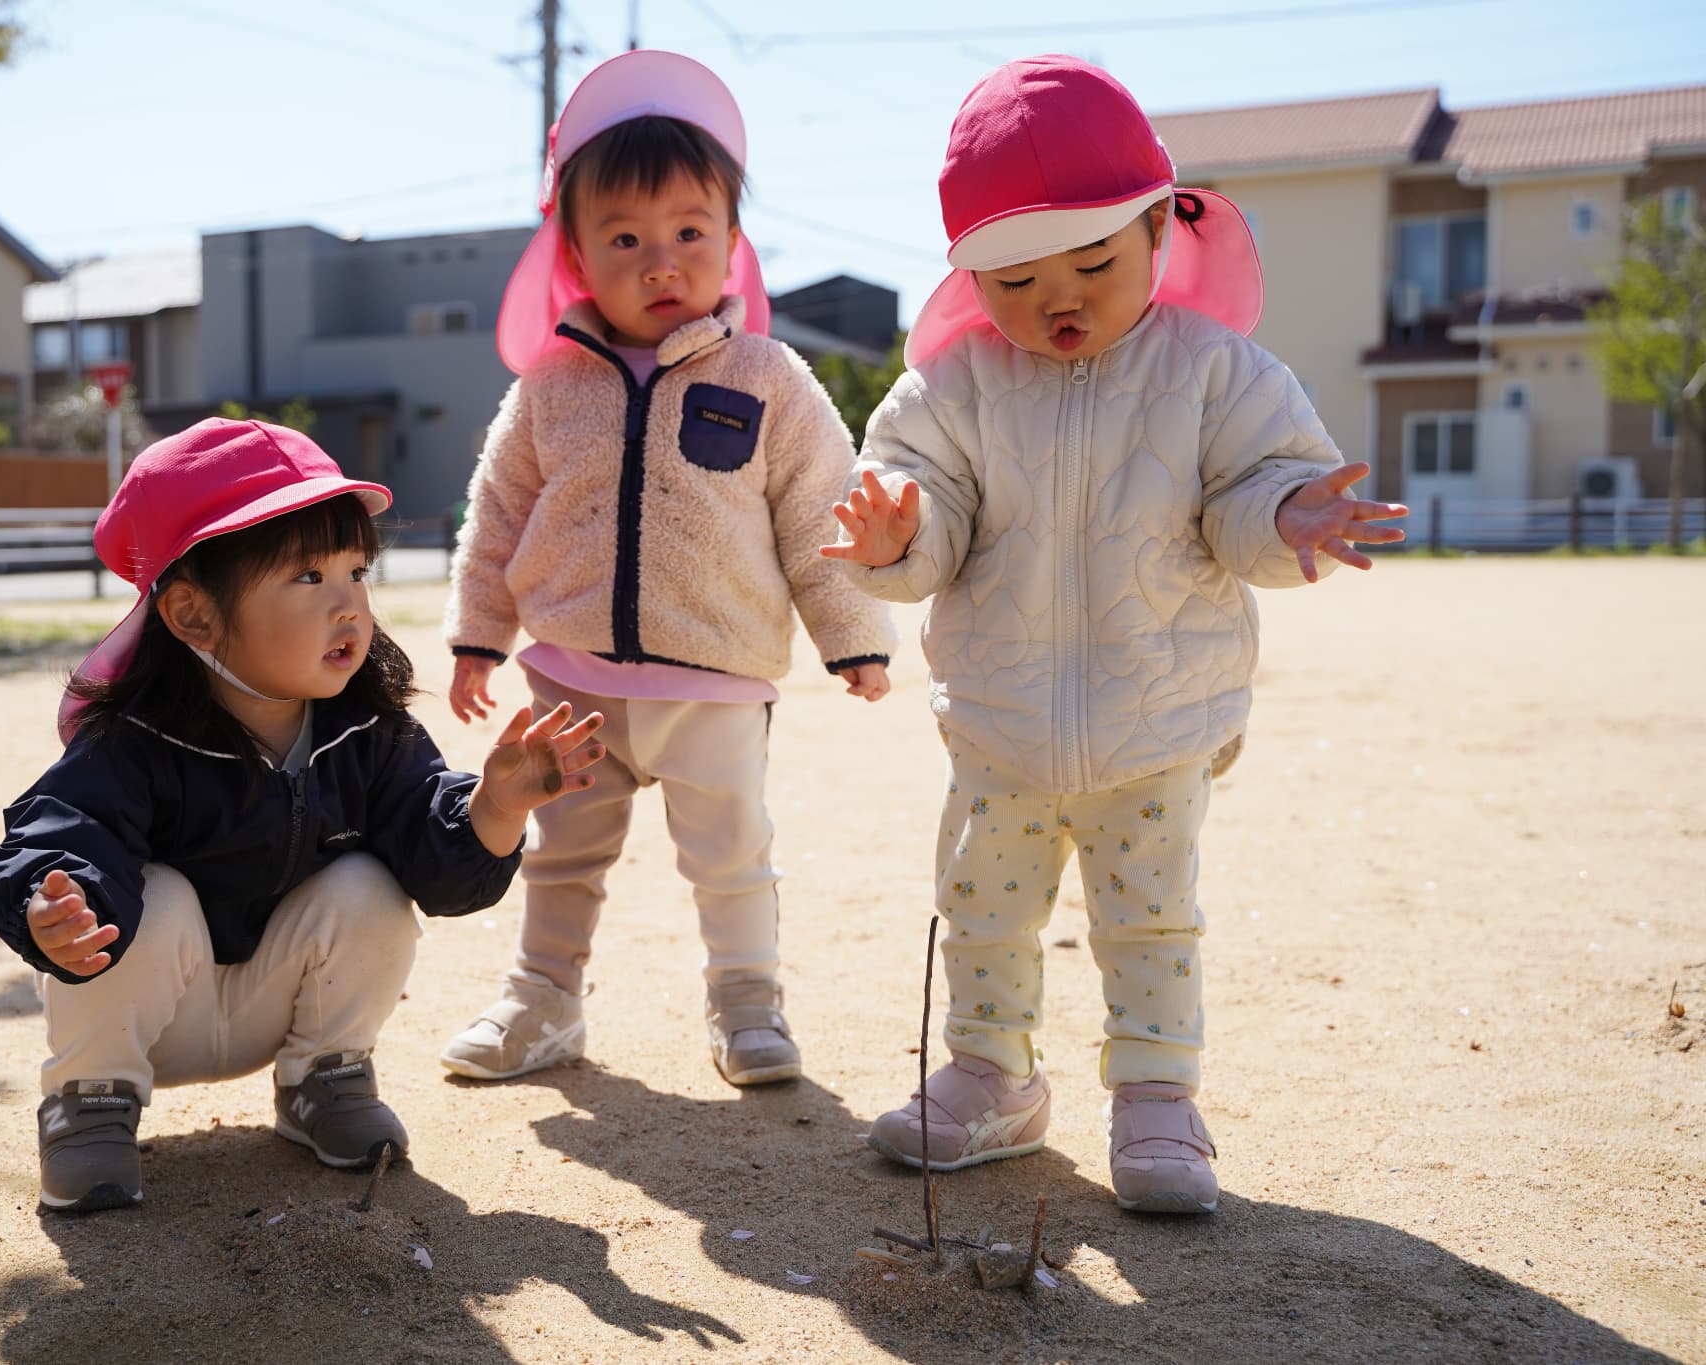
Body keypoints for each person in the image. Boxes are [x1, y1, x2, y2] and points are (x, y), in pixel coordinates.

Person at [824, 56, 1406, 1213]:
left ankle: (1154, 1095)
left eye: (1092, 264)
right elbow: (928, 515)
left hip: (1157, 717)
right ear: (968, 278)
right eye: (1015, 280)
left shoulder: (1214, 371)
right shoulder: (951, 389)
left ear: (1156, 230)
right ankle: (991, 1073)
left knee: (1149, 919)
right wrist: (898, 535)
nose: (1060, 300)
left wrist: (1285, 516)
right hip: (999, 720)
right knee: (982, 907)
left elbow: (1249, 491)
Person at [0, 418, 604, 1213]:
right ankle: (90, 1100)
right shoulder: (135, 744)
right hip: (150, 1019)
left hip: (276, 1008)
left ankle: (326, 1077)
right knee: (153, 892)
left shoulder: (367, 733)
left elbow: (436, 864)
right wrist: (53, 901)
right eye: (309, 576)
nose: (349, 604)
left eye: (356, 570)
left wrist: (495, 806)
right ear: (194, 616)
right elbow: (56, 829)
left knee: (369, 884)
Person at [438, 49, 896, 1088]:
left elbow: (817, 511)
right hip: (572, 679)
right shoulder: (550, 384)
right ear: (575, 256)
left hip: (714, 680)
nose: (661, 264)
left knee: (730, 856)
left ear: (732, 242)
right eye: (625, 240)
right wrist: (478, 636)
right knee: (559, 852)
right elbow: (498, 511)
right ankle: (542, 998)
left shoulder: (768, 377)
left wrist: (853, 636)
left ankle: (747, 1002)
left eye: (690, 233)